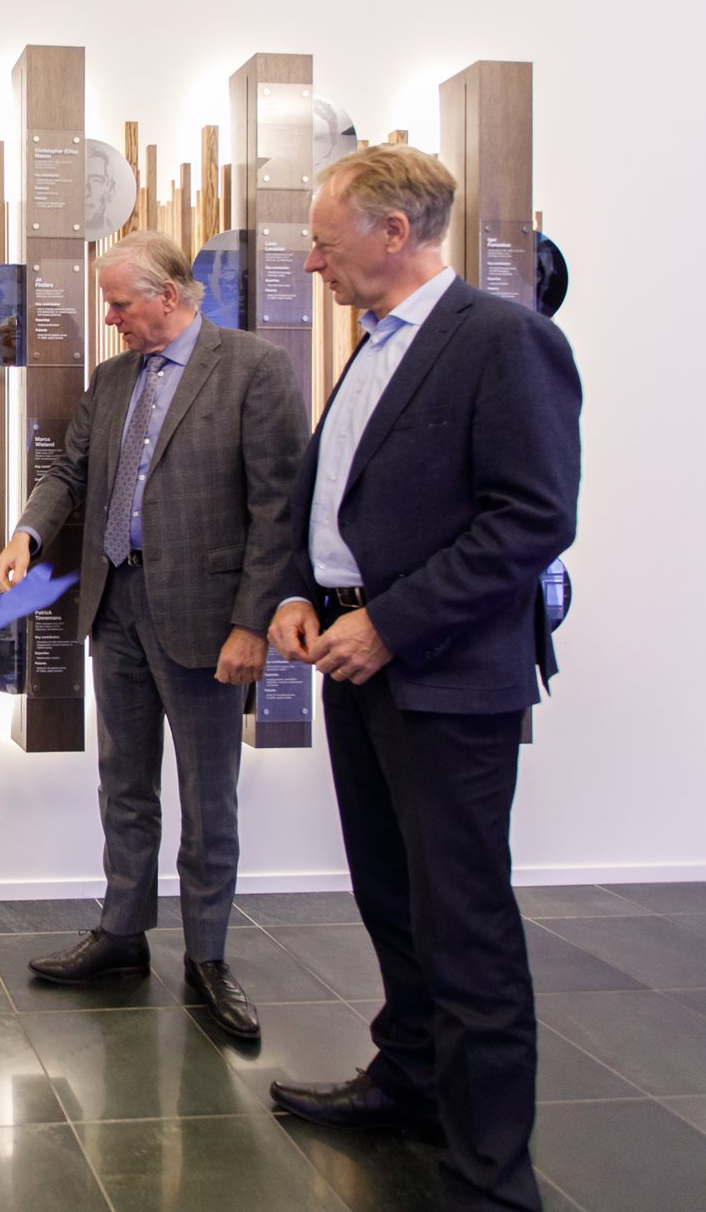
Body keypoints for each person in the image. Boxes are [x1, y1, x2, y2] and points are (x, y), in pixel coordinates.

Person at [265, 145, 581, 1212]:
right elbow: (340, 502)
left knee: (466, 920)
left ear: (394, 233)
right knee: (394, 897)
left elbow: (532, 519)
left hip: (441, 674)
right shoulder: (373, 349)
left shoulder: (505, 341)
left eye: (324, 237)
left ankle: (493, 1175)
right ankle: (410, 1081)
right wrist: (303, 590)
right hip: (359, 662)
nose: (311, 261)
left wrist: (391, 624)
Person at [0, 230, 304, 1039]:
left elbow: (280, 509)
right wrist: (28, 533)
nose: (110, 317)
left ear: (170, 294)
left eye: (121, 303)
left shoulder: (253, 370)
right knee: (124, 785)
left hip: (208, 623)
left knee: (208, 797)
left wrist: (252, 624)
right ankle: (123, 935)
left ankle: (208, 958)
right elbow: (69, 471)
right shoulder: (113, 378)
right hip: (116, 608)